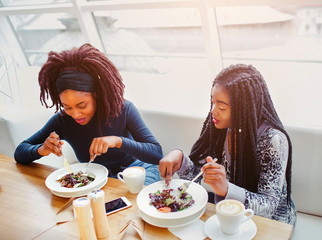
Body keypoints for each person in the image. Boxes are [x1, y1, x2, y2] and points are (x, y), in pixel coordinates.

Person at [159, 64, 296, 225]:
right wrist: (181, 161)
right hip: (230, 214)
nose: (213, 111)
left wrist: (226, 189)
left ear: (243, 109)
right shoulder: (221, 128)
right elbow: (200, 178)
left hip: (272, 224)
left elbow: (268, 207)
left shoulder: (274, 141)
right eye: (213, 102)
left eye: (222, 107)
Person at [14, 43, 162, 185]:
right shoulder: (62, 121)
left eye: (82, 105)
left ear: (96, 94)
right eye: (67, 107)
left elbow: (156, 154)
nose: (76, 114)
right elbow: (20, 152)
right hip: (98, 178)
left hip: (138, 171)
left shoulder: (123, 109)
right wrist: (41, 150)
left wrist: (117, 141)